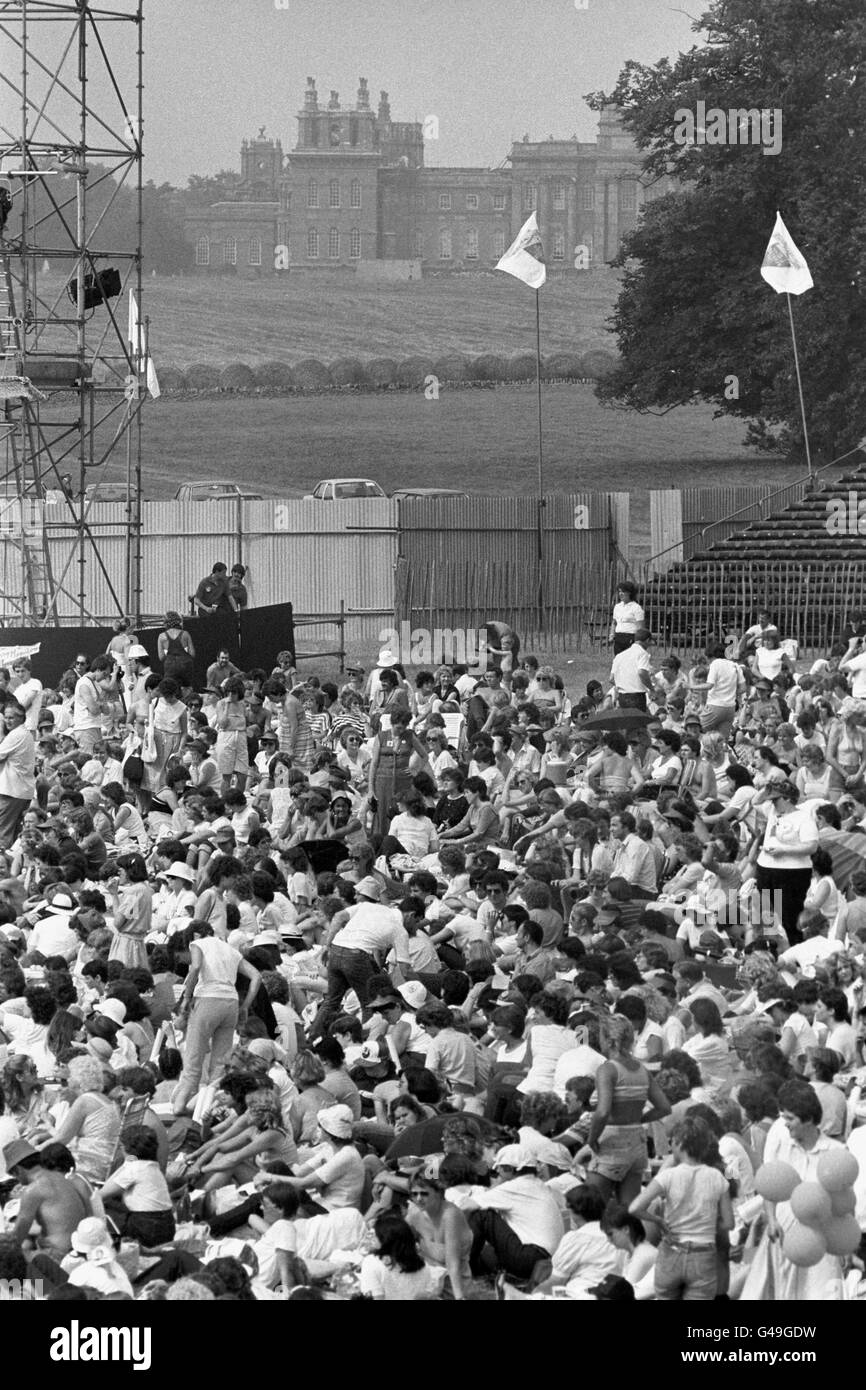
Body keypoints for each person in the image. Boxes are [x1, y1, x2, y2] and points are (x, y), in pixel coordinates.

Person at [629, 1115, 733, 1301]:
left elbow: (635, 1207)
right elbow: (729, 1222)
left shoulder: (669, 1175)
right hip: (704, 1255)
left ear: (678, 1142)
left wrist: (659, 1221)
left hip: (672, 1250)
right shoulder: (719, 1176)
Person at [577, 1013, 671, 1206]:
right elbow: (664, 1108)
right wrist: (638, 1119)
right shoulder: (641, 1069)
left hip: (611, 1142)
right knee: (629, 1209)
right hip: (637, 1143)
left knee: (593, 1208)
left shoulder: (608, 1069)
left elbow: (602, 1111)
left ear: (608, 1041)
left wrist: (592, 1138)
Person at [171, 921, 263, 1115]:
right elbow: (256, 976)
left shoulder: (198, 944)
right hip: (231, 1003)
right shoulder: (230, 949)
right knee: (220, 1064)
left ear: (193, 937)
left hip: (207, 999)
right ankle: (210, 1110)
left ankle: (179, 1108)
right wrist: (245, 1006)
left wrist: (187, 998)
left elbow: (195, 967)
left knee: (193, 1060)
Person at [3, 1138, 91, 1257]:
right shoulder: (60, 1176)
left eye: (14, 1175)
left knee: (10, 1256)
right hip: (78, 1247)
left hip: (58, 1254)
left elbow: (18, 1236)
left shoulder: (33, 1190)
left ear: (18, 1170)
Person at [0, 701, 36, 849]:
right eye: (6, 718)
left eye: (11, 718)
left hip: (12, 792)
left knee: (3, 833)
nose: (7, 721)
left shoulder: (16, 734)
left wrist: (1, 732)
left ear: (21, 718)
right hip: (20, 791)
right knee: (14, 835)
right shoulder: (23, 733)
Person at [610, 628, 653, 711]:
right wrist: (651, 689)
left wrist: (625, 685)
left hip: (622, 697)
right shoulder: (642, 653)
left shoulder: (619, 656)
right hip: (637, 697)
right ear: (647, 640)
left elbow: (611, 679)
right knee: (638, 722)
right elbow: (642, 673)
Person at [157, 613, 196, 689]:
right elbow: (192, 654)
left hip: (170, 666)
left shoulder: (162, 636)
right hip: (185, 665)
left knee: (170, 689)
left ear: (166, 623)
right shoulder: (185, 634)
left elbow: (161, 657)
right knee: (187, 689)